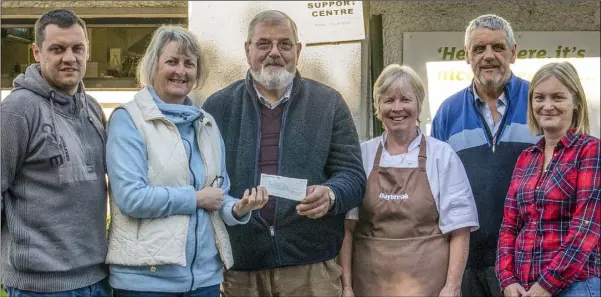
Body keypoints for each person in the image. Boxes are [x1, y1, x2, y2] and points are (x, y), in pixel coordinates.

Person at [202, 10, 366, 297]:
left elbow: (352, 175)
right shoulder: (218, 107)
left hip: (311, 268)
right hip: (242, 268)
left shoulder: (328, 103)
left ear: (298, 50)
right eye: (264, 44)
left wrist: (330, 194)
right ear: (247, 50)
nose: (274, 52)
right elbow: (205, 181)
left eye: (285, 44)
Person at [104, 25, 268, 297]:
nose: (181, 71)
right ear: (153, 65)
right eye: (172, 61)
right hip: (146, 282)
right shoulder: (128, 119)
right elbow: (131, 198)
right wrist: (195, 199)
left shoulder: (206, 123)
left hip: (203, 280)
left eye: (189, 64)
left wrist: (238, 208)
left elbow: (217, 193)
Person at [339, 64, 479, 297]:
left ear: (419, 105)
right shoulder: (361, 155)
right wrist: (346, 287)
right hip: (369, 285)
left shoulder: (441, 156)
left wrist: (452, 286)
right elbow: (347, 228)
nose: (397, 108)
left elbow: (460, 229)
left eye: (405, 99)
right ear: (377, 107)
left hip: (429, 286)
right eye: (388, 100)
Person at [1, 8, 110, 296]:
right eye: (57, 49)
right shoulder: (17, 113)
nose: (69, 58)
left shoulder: (93, 110)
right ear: (36, 52)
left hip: (96, 279)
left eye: (78, 48)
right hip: (39, 287)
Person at [430, 14, 540, 297]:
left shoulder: (538, 102)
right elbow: (435, 187)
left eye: (498, 47)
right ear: (467, 56)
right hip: (466, 261)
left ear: (513, 53)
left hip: (528, 261)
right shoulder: (448, 112)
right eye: (479, 49)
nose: (488, 56)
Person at [496, 61, 600, 297]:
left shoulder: (590, 150)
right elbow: (509, 225)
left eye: (558, 97)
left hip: (576, 286)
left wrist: (547, 285)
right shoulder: (526, 158)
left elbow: (587, 229)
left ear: (576, 103)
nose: (547, 106)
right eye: (539, 98)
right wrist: (506, 278)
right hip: (523, 288)